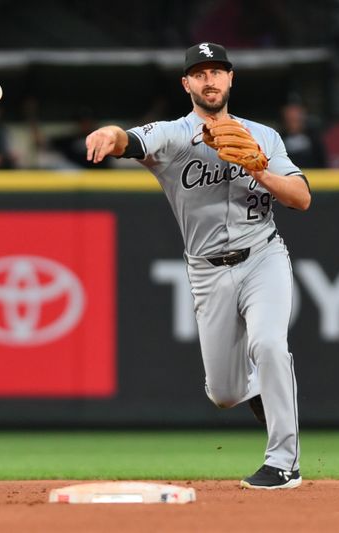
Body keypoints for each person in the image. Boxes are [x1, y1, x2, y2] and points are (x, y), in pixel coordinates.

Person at [85, 42, 311, 490]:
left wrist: (259, 169)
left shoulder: (263, 137)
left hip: (264, 255)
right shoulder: (171, 135)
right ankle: (261, 392)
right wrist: (109, 134)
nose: (210, 80)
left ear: (231, 79)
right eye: (200, 73)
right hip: (208, 271)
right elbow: (130, 139)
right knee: (224, 393)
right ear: (186, 83)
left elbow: (302, 198)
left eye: (218, 71)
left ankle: (284, 462)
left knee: (268, 344)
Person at [280, 99, 328, 169]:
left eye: (297, 120)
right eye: (291, 120)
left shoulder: (314, 139)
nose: (294, 124)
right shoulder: (278, 139)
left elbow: (322, 163)